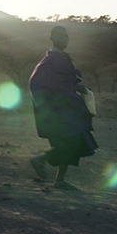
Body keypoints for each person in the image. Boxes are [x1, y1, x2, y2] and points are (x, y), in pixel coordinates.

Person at [28, 26, 97, 190]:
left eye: (67, 37)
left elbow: (65, 81)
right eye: (61, 36)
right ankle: (41, 160)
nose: (65, 39)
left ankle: (60, 180)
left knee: (75, 139)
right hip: (59, 109)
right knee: (72, 139)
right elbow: (41, 84)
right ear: (52, 38)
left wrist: (77, 88)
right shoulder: (52, 60)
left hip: (66, 106)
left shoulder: (60, 58)